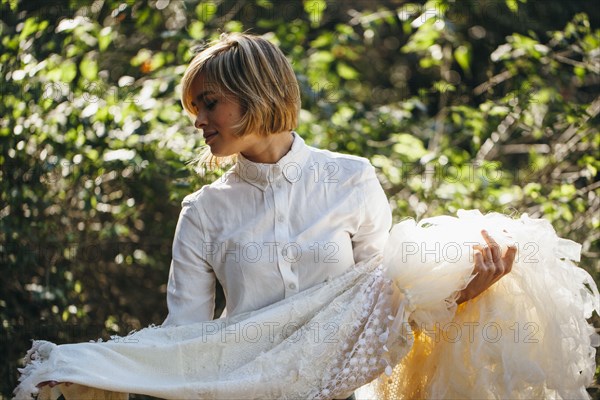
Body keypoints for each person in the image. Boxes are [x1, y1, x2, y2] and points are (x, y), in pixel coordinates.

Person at [161, 32, 515, 327]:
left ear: (255, 94)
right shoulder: (202, 212)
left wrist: (457, 296)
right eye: (195, 108)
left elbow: (382, 305)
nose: (199, 120)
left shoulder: (352, 180)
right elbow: (183, 334)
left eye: (209, 103)